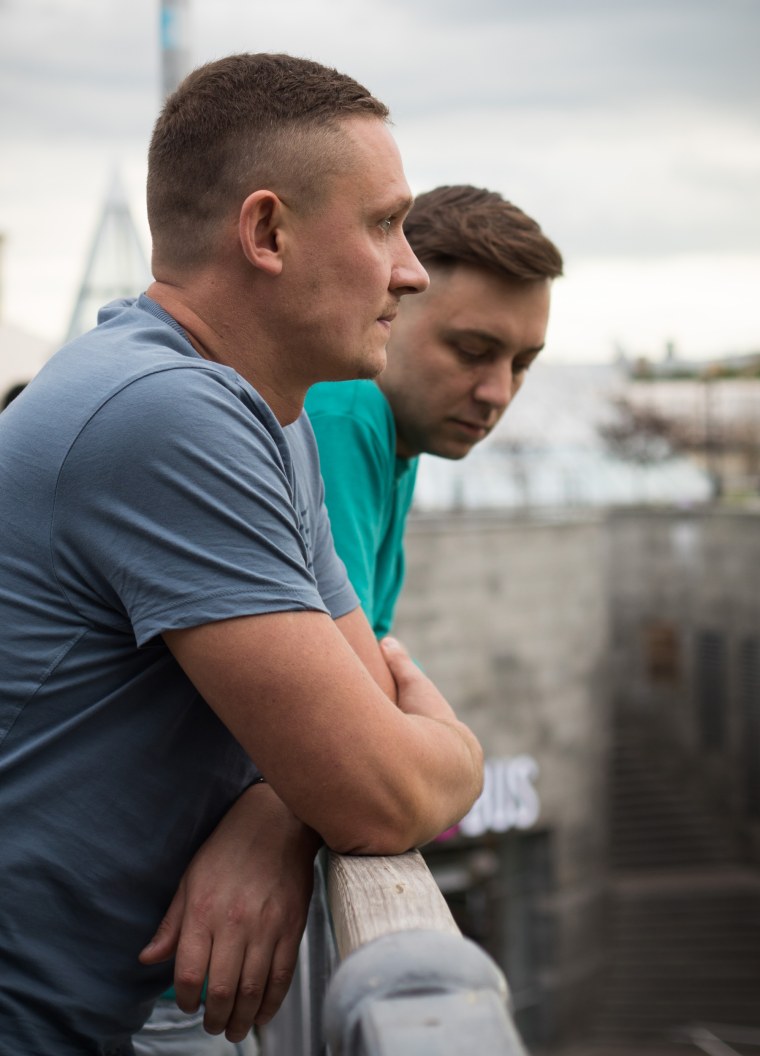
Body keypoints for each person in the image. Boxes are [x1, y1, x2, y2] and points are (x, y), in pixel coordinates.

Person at [0, 53, 484, 1056]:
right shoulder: (165, 413)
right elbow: (380, 787)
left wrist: (282, 807)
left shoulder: (268, 416)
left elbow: (353, 731)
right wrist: (461, 758)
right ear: (266, 231)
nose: (412, 270)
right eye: (383, 223)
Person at [305, 184, 564, 636]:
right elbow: (350, 671)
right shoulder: (347, 410)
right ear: (390, 307)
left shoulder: (397, 435)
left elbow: (375, 648)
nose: (498, 393)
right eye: (471, 350)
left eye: (522, 364)